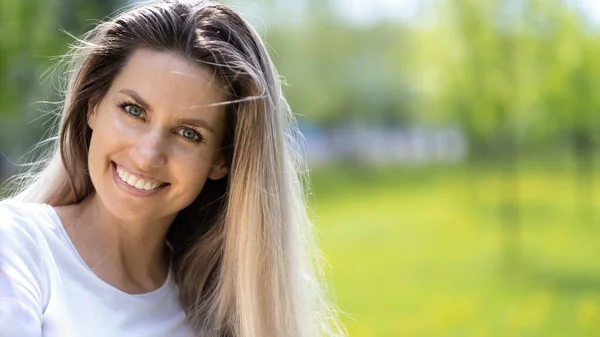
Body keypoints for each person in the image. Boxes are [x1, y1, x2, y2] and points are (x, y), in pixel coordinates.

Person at [0, 1, 344, 336]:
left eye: (188, 134)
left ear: (222, 160)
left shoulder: (218, 314)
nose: (148, 155)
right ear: (93, 107)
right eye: (133, 111)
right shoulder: (17, 246)